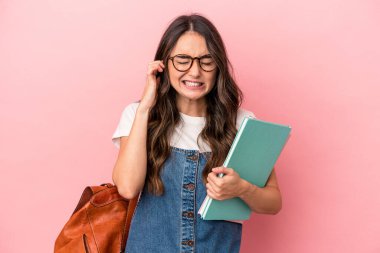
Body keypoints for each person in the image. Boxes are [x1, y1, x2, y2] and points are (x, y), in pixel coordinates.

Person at [111, 14, 282, 253]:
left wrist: (242, 189)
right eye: (182, 59)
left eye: (206, 61)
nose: (195, 72)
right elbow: (128, 188)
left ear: (218, 66)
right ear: (164, 63)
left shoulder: (242, 124)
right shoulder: (138, 115)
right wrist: (145, 109)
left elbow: (273, 202)